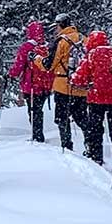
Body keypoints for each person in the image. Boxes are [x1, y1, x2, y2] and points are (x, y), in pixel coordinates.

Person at [71, 30, 112, 174]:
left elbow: (78, 78)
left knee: (95, 130)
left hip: (96, 99)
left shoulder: (92, 55)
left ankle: (96, 158)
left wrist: (80, 80)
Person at [42, 14, 89, 153]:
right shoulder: (83, 39)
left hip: (63, 85)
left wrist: (37, 59)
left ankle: (66, 146)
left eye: (56, 26)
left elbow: (49, 65)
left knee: (62, 118)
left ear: (60, 25)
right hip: (81, 85)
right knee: (82, 118)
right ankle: (91, 144)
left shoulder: (61, 41)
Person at [9, 20, 54, 142]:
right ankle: (38, 134)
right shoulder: (48, 46)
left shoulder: (27, 47)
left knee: (33, 111)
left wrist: (11, 74)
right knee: (38, 110)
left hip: (31, 85)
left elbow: (19, 65)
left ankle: (37, 135)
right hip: (45, 85)